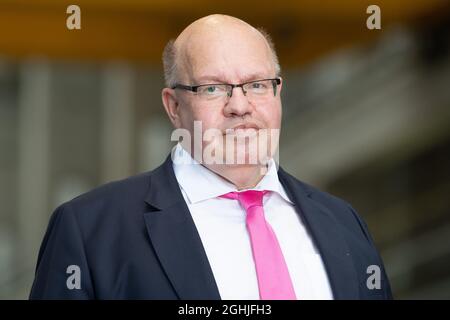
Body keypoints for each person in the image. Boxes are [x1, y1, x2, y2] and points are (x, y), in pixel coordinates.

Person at [30, 14, 392, 300]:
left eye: (257, 85)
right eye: (213, 88)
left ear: (278, 92)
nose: (239, 105)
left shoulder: (344, 223)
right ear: (174, 107)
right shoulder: (90, 231)